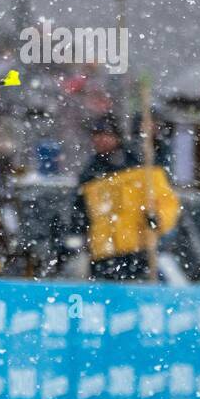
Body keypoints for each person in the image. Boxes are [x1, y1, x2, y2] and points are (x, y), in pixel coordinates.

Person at [74, 114, 180, 281]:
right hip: (103, 253)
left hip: (137, 248)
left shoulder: (141, 165)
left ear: (117, 137)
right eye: (97, 135)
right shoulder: (89, 174)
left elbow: (167, 202)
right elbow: (81, 214)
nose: (101, 140)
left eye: (106, 135)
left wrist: (158, 219)